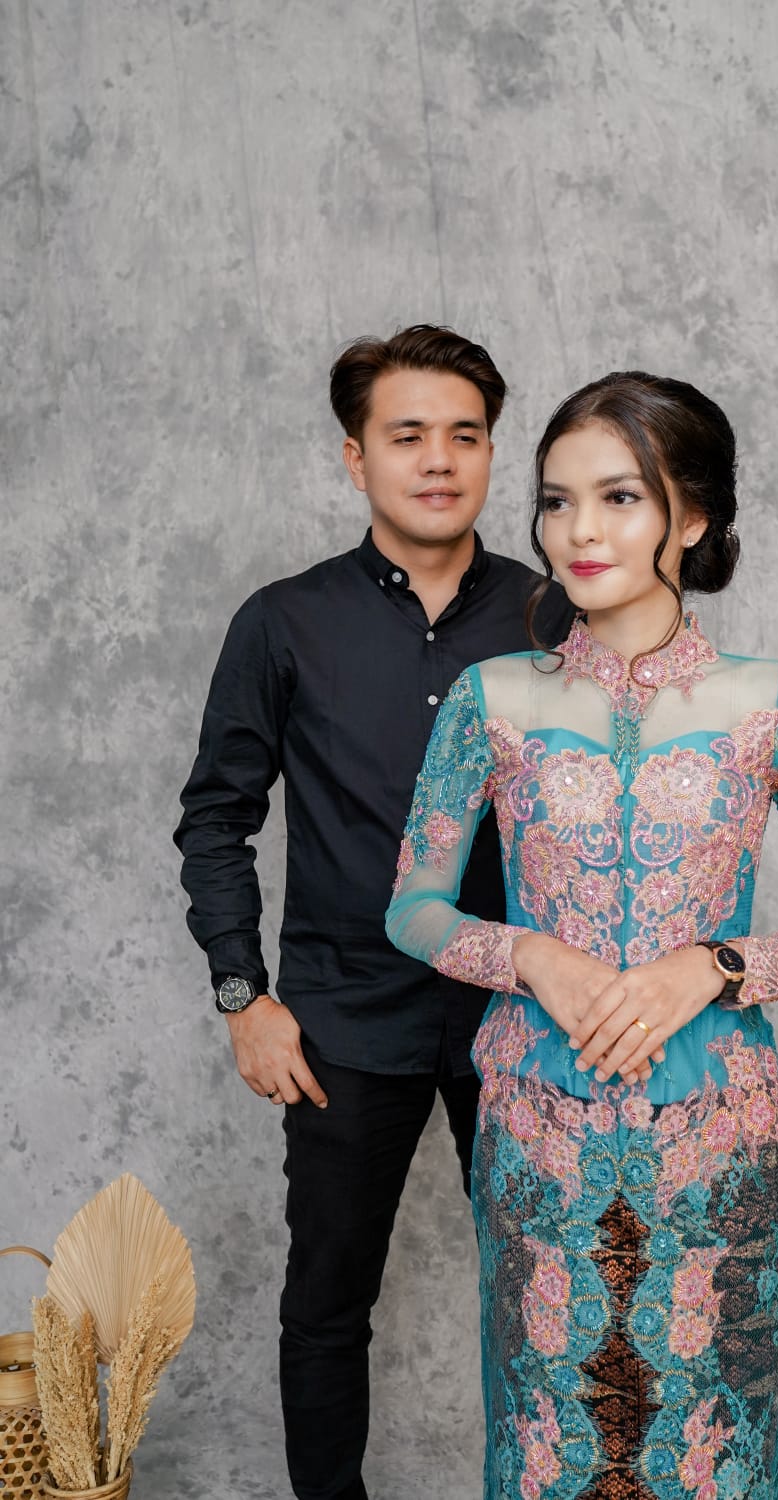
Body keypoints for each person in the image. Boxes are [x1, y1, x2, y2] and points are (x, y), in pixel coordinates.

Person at [386, 371, 778, 1500]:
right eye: (557, 502)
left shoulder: (776, 701)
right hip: (538, 1125)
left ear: (690, 517)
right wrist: (531, 956)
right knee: (547, 1431)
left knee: (709, 1438)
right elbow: (412, 908)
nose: (579, 532)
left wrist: (713, 967)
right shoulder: (491, 699)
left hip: (717, 1131)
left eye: (619, 498)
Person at [173, 324, 574, 1500]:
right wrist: (244, 1000)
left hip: (525, 1023)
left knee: (555, 1296)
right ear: (356, 457)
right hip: (344, 1023)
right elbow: (215, 819)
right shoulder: (284, 621)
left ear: (493, 453)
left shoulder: (558, 621)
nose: (437, 459)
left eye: (465, 435)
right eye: (407, 436)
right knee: (326, 1302)